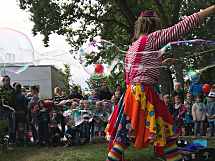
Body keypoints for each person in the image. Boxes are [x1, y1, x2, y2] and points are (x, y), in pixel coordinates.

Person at [106, 5, 215, 161]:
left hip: (131, 93)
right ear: (153, 25)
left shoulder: (132, 47)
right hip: (144, 93)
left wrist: (161, 62)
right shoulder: (152, 38)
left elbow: (134, 73)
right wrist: (210, 9)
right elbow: (181, 27)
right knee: (165, 132)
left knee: (126, 136)